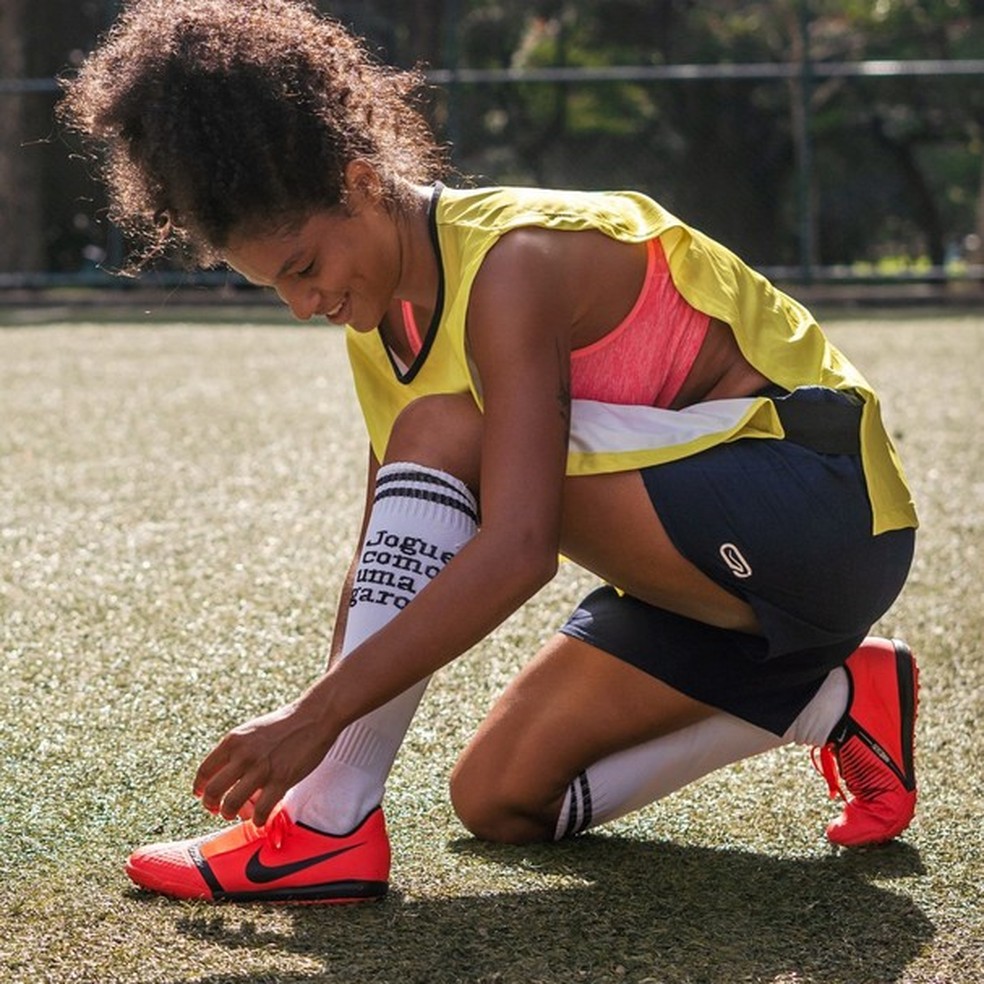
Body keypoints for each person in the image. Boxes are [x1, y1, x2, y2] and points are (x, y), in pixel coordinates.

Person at [60, 0, 920, 905]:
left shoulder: (513, 263)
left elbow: (517, 547)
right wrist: (315, 727)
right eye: (276, 287)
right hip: (702, 573)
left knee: (443, 429)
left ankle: (326, 832)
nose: (304, 305)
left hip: (824, 510)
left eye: (306, 267)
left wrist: (314, 728)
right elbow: (379, 572)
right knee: (502, 800)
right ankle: (836, 698)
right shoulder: (379, 322)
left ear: (359, 184)